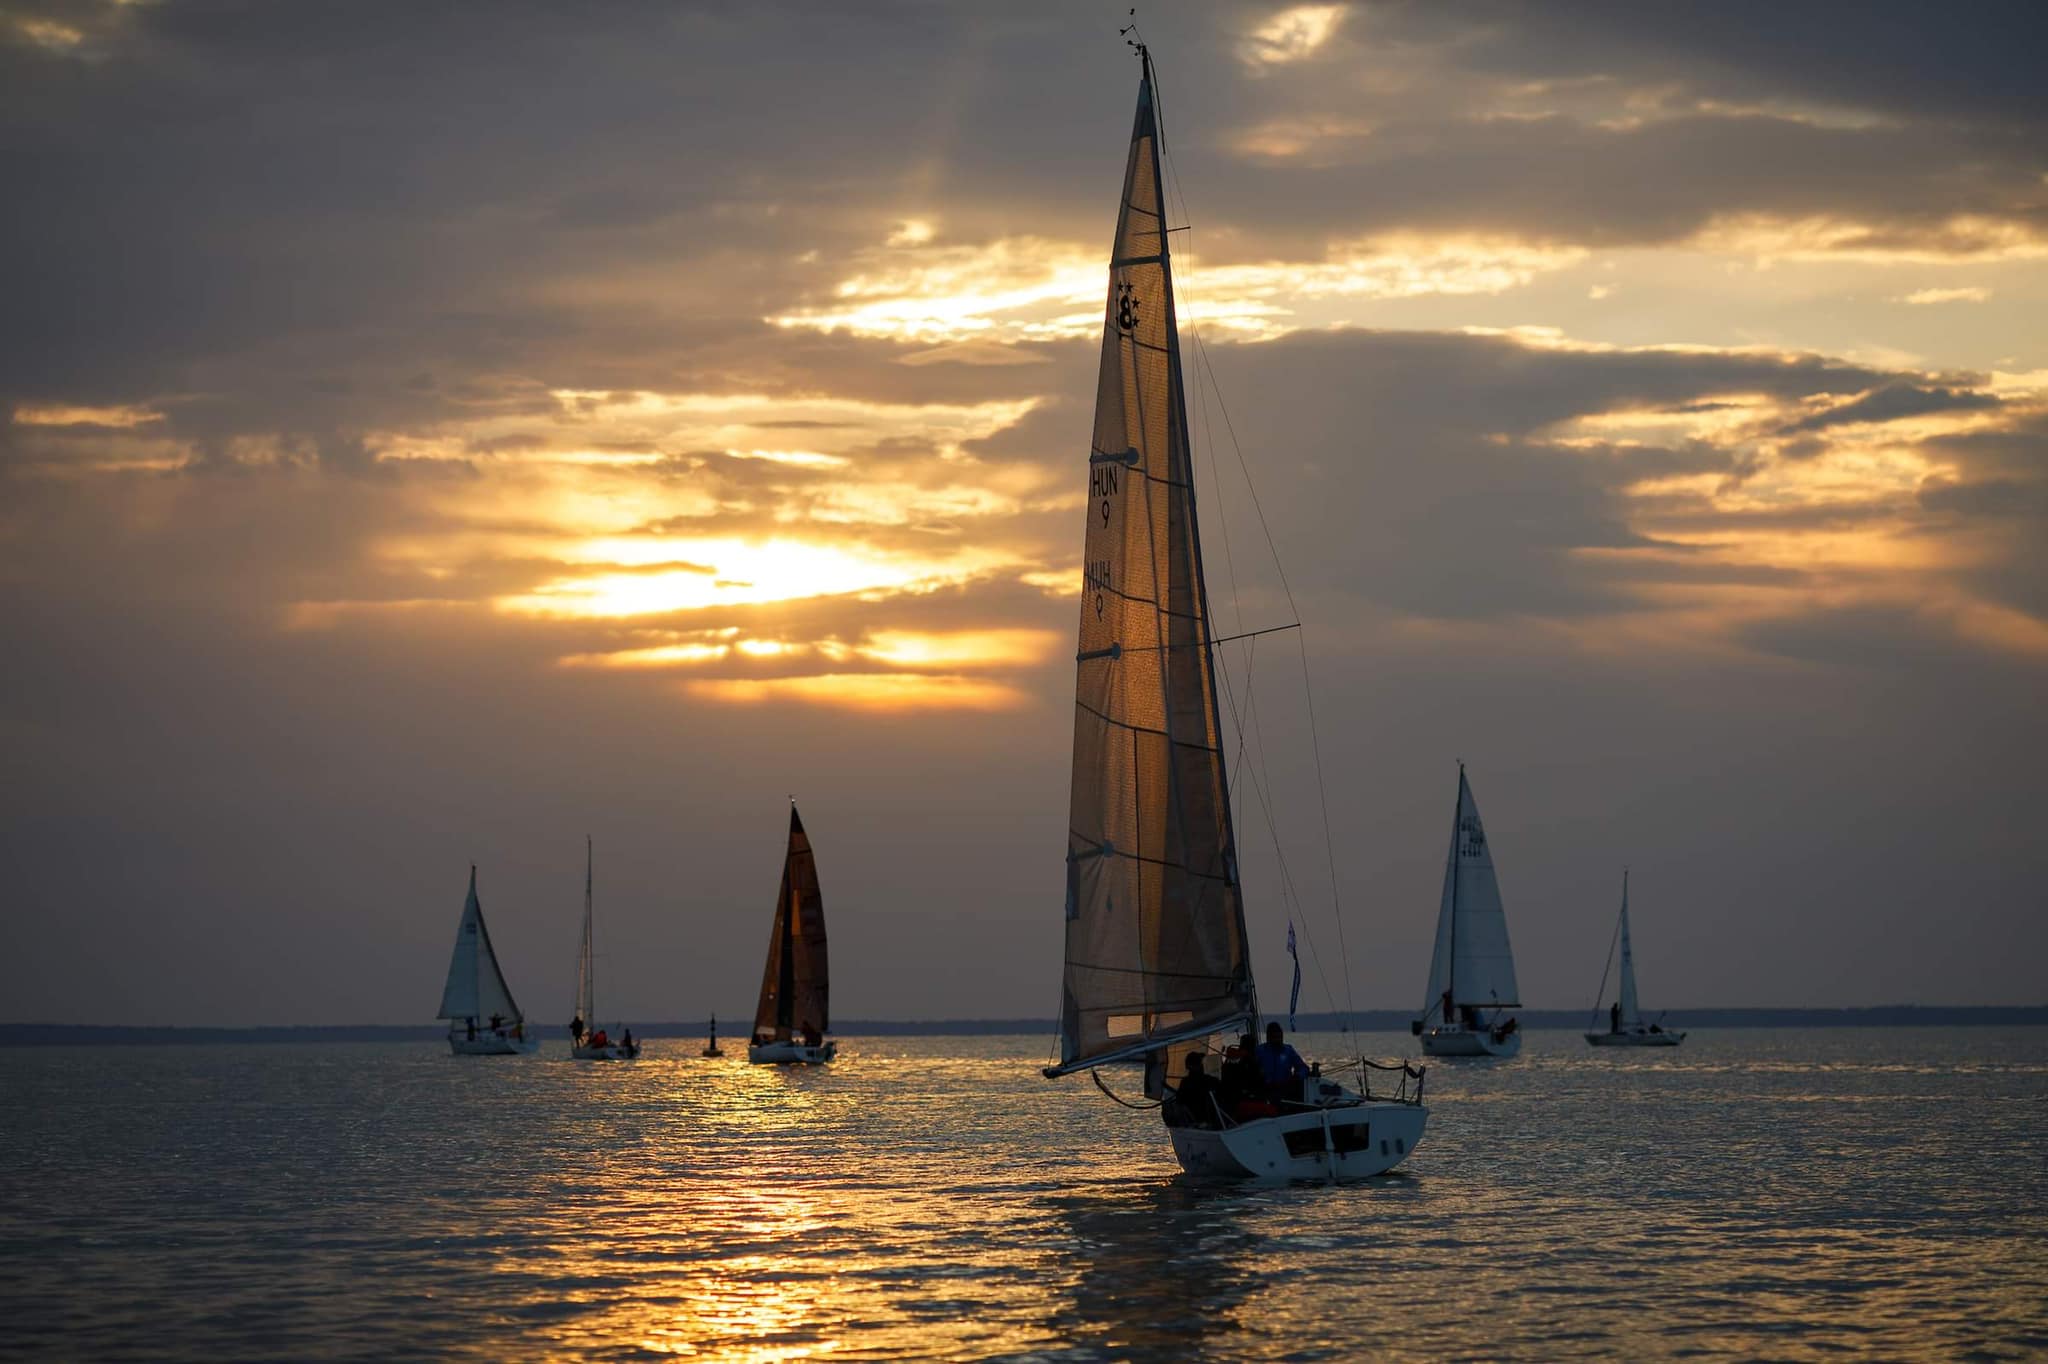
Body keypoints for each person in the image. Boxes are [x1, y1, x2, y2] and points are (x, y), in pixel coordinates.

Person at [1255, 1022, 1310, 1102]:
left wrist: (1297, 1076)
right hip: (1266, 1090)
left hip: (1285, 1089)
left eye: (1279, 1037)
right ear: (1268, 1038)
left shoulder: (1288, 1050)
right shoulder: (1260, 1051)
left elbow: (1303, 1068)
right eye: (1274, 1037)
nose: (1278, 1040)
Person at [1169, 1053, 1223, 1128]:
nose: (1202, 1065)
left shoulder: (1185, 1082)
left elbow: (1179, 1100)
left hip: (1194, 1121)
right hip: (1204, 1120)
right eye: (1200, 1063)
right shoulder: (1208, 1080)